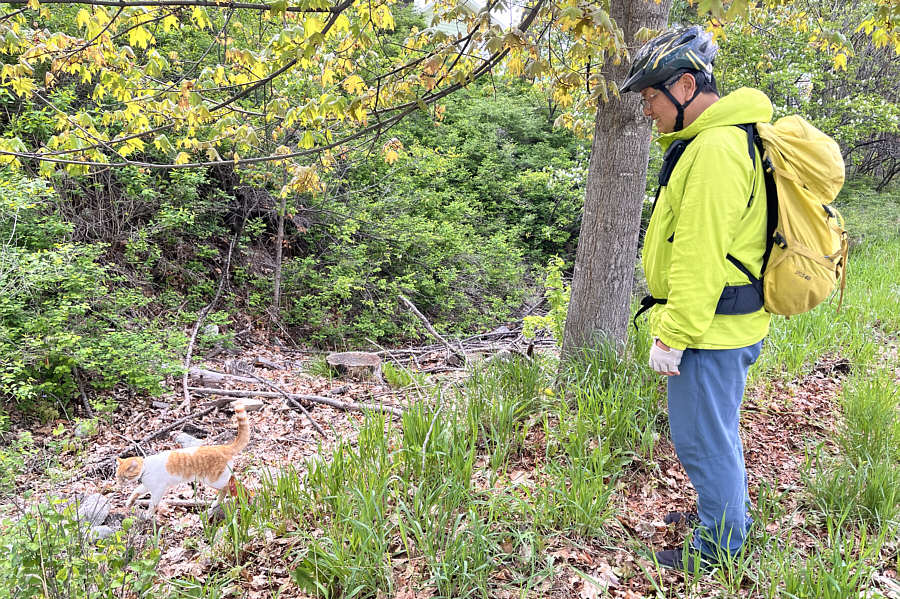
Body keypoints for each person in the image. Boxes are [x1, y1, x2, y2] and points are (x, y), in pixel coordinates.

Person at [620, 25, 773, 571]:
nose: (647, 111)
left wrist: (673, 335)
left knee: (702, 441)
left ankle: (720, 548)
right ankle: (725, 512)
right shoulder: (718, 139)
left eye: (651, 97)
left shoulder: (714, 148)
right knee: (717, 433)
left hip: (709, 332)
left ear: (685, 86)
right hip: (724, 327)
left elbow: (699, 254)